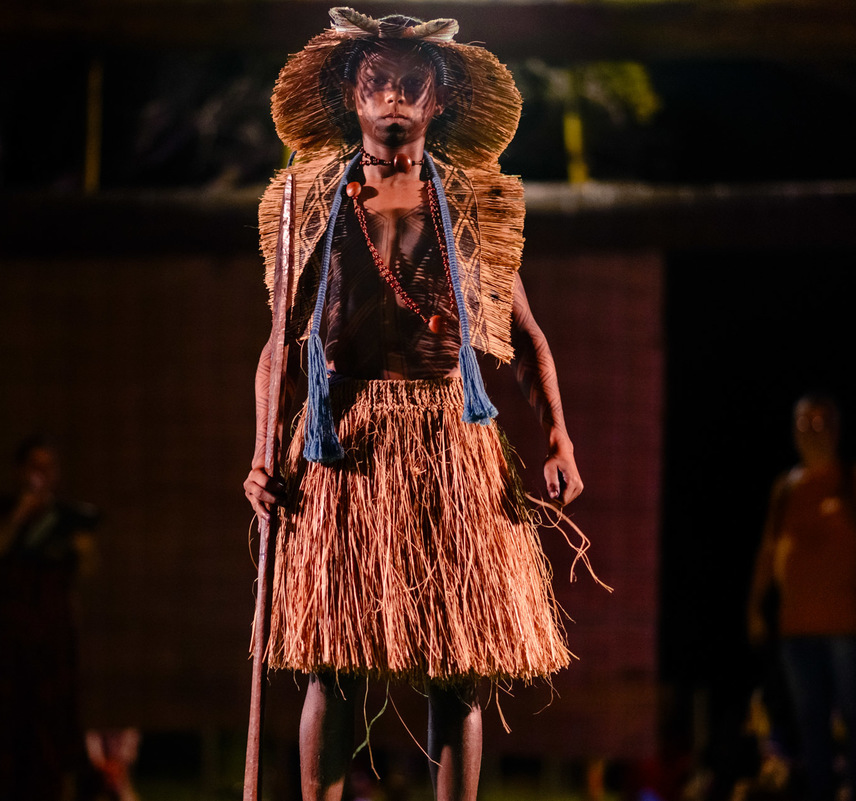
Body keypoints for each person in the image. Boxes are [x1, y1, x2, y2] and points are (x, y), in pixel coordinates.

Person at [243, 9, 595, 801]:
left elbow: (526, 334)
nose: (394, 96)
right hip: (343, 444)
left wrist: (560, 439)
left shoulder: (475, 208)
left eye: (411, 83)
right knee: (330, 661)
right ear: (351, 94)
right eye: (377, 81)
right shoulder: (306, 204)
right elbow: (280, 345)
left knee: (460, 664)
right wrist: (265, 453)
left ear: (437, 100)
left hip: (450, 440)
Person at [747, 395, 856, 801]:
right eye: (804, 425)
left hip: (848, 625)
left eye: (821, 424)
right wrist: (755, 606)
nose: (813, 433)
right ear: (793, 431)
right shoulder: (786, 488)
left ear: (837, 429)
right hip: (797, 628)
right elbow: (768, 549)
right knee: (809, 723)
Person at [0, 436, 99, 801]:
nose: (41, 475)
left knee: (52, 728)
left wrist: (78, 543)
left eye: (48, 467)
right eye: (34, 466)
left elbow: (88, 567)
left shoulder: (68, 517)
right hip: (7, 638)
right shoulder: (2, 508)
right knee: (5, 727)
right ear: (20, 470)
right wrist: (22, 513)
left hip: (52, 639)